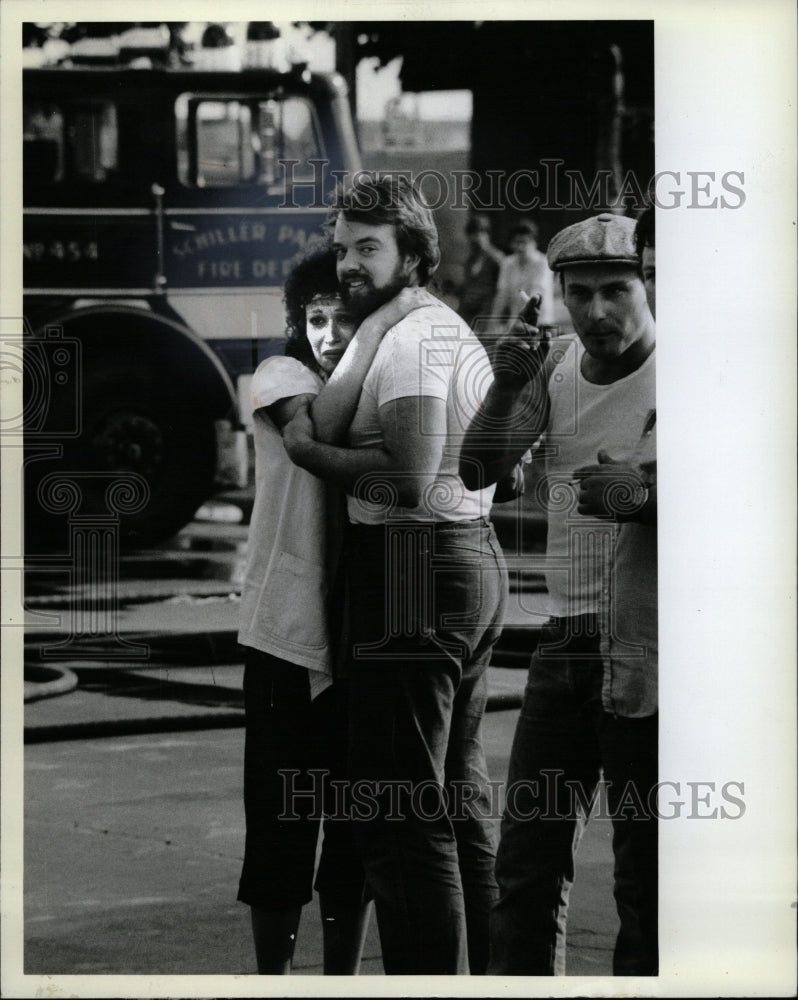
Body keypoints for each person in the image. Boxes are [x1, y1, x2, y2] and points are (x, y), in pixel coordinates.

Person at [282, 172, 509, 975]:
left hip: (412, 566)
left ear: (413, 252)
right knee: (454, 799)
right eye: (342, 246)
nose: (348, 263)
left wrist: (309, 451)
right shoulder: (418, 327)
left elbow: (408, 476)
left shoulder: (412, 338)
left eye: (368, 247)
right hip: (465, 560)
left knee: (402, 818)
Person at [460, 211, 658, 975]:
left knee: (647, 880)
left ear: (650, 286)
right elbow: (479, 470)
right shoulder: (558, 366)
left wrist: (643, 499)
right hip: (566, 643)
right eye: (581, 294)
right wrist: (506, 387)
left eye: (617, 290)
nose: (599, 312)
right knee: (528, 867)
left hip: (651, 650)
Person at [236, 243, 429, 974]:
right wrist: (380, 328)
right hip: (284, 634)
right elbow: (313, 428)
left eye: (343, 318)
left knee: (353, 834)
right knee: (282, 825)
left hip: (358, 635)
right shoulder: (280, 375)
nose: (327, 333)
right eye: (315, 318)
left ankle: (338, 981)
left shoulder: (378, 387)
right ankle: (272, 980)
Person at [490, 219, 554, 329]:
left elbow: (536, 295)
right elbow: (502, 295)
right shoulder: (507, 263)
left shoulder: (543, 263)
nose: (520, 247)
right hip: (516, 323)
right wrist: (492, 323)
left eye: (524, 242)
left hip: (541, 322)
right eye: (516, 242)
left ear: (534, 242)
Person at [456, 213, 504, 335]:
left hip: (486, 314)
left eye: (480, 234)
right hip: (468, 312)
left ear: (487, 235)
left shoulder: (497, 260)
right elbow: (467, 287)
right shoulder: (470, 260)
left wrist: (487, 321)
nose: (477, 239)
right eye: (473, 235)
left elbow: (499, 292)